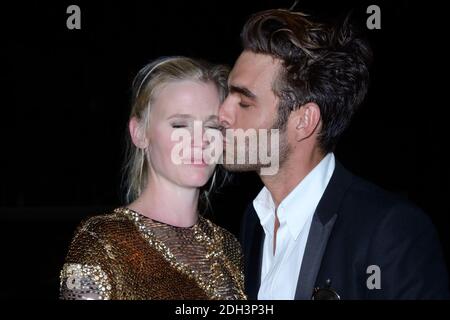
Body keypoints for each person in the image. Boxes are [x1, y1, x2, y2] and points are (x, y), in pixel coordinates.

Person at [218, 8, 450, 299]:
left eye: (244, 103)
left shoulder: (390, 231)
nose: (222, 113)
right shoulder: (254, 221)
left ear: (304, 121)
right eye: (228, 95)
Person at [59, 56, 246, 300]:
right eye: (180, 125)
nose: (201, 140)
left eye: (212, 126)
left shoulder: (230, 248)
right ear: (139, 133)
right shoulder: (101, 241)